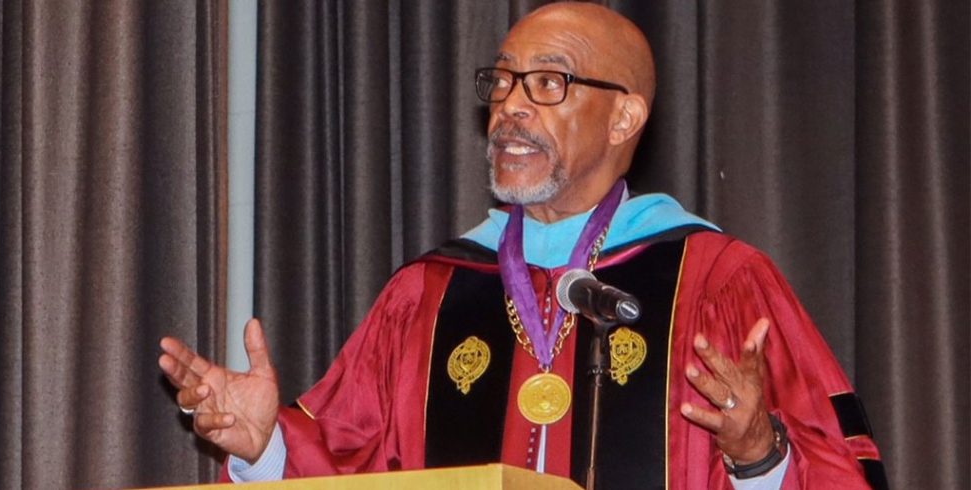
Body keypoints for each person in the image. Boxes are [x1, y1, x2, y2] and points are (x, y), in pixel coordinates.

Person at [159, 3, 887, 489]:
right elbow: (352, 466)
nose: (509, 107)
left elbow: (846, 469)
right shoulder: (430, 295)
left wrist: (761, 454)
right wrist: (265, 448)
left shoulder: (718, 282)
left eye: (546, 84)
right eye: (503, 82)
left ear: (624, 116)